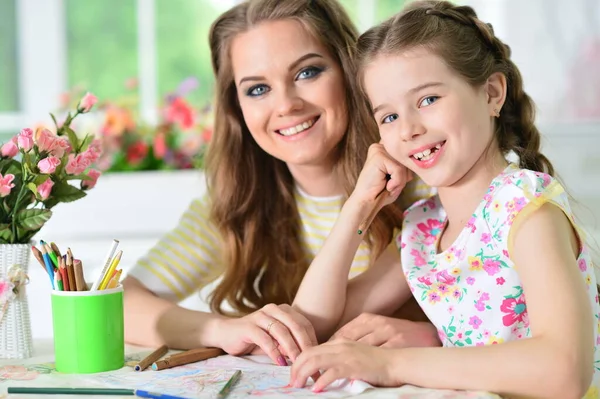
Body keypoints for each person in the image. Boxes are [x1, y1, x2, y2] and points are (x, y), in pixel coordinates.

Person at [290, 1, 600, 398]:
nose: (409, 130)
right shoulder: (424, 228)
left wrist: (388, 364)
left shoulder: (525, 209)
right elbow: (312, 323)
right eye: (388, 117)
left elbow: (564, 372)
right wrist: (359, 206)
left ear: (491, 93)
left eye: (427, 100)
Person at [122, 0, 436, 367]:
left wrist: (437, 337)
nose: (286, 105)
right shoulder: (237, 206)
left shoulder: (427, 183)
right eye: (257, 89)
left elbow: (313, 326)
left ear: (350, 72)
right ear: (236, 108)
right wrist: (223, 330)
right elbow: (119, 304)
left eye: (308, 72)